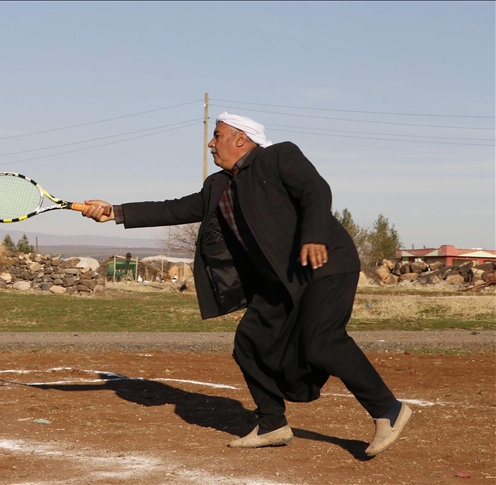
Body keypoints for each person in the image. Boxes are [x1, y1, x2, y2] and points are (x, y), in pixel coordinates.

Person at [80, 112, 411, 457]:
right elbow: (173, 209)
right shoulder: (218, 185)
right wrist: (115, 211)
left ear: (240, 139)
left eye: (217, 135)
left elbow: (315, 190)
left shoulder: (278, 157)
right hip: (281, 278)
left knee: (321, 342)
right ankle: (271, 423)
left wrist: (313, 235)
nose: (211, 143)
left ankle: (388, 409)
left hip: (325, 262)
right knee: (250, 342)